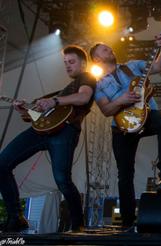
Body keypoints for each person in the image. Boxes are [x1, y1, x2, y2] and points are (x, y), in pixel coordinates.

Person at [0, 45, 96, 232]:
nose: (67, 66)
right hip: (41, 131)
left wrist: (54, 101)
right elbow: (41, 117)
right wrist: (25, 110)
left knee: (62, 180)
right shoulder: (63, 90)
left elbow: (84, 98)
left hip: (65, 132)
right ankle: (16, 217)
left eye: (72, 62)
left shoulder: (87, 78)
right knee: (2, 163)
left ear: (83, 63)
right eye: (65, 63)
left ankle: (78, 225)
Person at [89, 33, 161, 229]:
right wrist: (121, 100)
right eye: (104, 49)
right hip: (121, 127)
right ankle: (127, 222)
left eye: (109, 47)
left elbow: (160, 66)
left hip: (146, 115)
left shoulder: (133, 66)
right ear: (97, 59)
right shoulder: (98, 84)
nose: (110, 49)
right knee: (124, 173)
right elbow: (105, 110)